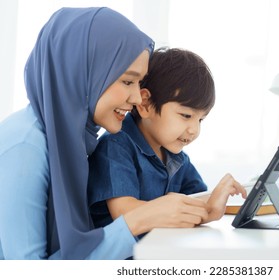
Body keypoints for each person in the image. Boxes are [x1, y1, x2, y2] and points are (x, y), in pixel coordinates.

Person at [0, 8, 209, 260]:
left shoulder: (73, 142)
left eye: (139, 83)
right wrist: (138, 219)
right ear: (85, 72)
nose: (135, 98)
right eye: (127, 81)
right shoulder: (25, 146)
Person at [88, 48, 247, 231]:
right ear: (145, 104)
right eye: (186, 116)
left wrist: (217, 197)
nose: (194, 130)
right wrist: (206, 209)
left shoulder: (176, 156)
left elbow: (195, 199)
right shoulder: (116, 146)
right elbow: (125, 212)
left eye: (201, 119)